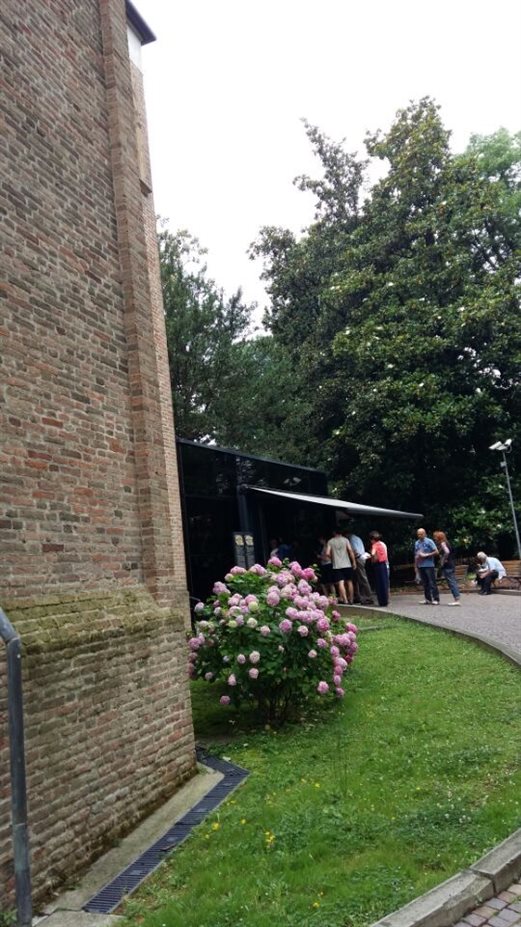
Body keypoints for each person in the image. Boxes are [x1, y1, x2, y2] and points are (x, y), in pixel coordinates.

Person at [326, 528, 356, 605]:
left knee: (340, 583)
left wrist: (332, 558)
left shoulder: (330, 541)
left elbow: (327, 553)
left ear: (334, 533)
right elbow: (350, 551)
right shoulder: (345, 540)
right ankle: (351, 599)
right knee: (349, 582)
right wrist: (354, 562)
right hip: (347, 564)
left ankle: (345, 600)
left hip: (337, 565)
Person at [346, 529, 375, 605]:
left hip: (358, 558)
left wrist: (352, 557)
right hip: (362, 557)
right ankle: (361, 596)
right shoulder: (357, 538)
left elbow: (355, 551)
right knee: (359, 578)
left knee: (362, 578)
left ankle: (368, 597)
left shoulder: (351, 539)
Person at [433, 530, 461, 606]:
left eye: (436, 537)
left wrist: (443, 560)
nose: (435, 538)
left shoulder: (443, 543)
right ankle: (457, 599)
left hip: (448, 565)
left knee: (451, 582)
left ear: (439, 537)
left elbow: (447, 552)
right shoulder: (446, 542)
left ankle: (457, 600)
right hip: (451, 564)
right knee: (452, 581)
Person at [415, 528, 440, 604]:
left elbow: (436, 552)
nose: (420, 536)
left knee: (432, 582)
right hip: (420, 565)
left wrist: (427, 555)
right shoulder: (417, 543)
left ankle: (436, 599)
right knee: (425, 583)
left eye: (421, 534)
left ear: (425, 534)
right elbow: (416, 554)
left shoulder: (429, 541)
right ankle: (428, 599)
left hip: (429, 565)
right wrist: (416, 565)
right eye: (418, 534)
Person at [368, 531, 389, 606]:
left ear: (372, 539)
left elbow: (373, 553)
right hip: (384, 564)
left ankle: (381, 601)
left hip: (378, 565)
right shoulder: (381, 544)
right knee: (384, 582)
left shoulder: (375, 545)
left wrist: (370, 556)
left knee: (379, 583)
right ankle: (385, 600)